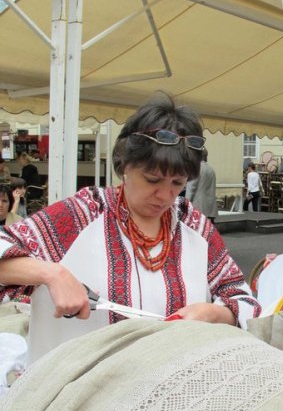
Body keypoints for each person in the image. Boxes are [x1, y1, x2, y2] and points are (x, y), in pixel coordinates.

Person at [0, 93, 261, 362]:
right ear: (124, 165)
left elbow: (242, 298)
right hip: (76, 391)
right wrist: (51, 274)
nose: (165, 195)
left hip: (166, 391)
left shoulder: (192, 224)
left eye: (177, 183)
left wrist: (213, 314)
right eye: (152, 180)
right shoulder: (85, 213)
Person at [186, 148, 218, 222]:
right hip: (210, 208)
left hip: (198, 207)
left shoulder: (196, 169)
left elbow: (191, 189)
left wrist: (186, 205)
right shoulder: (211, 169)